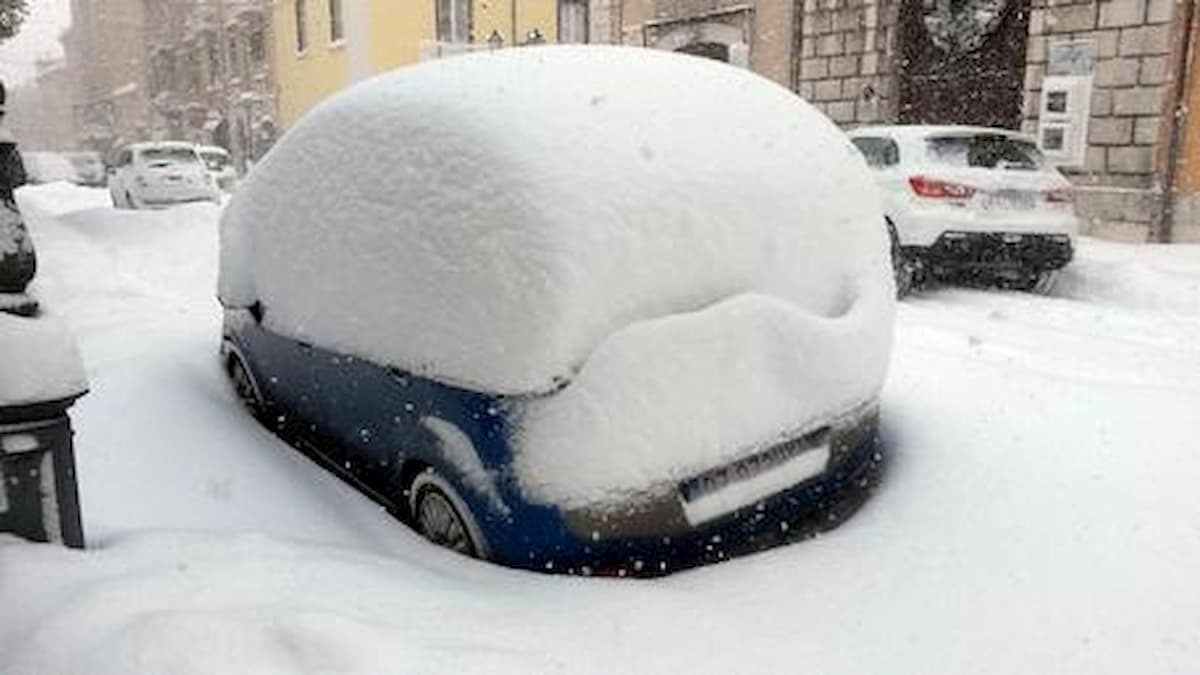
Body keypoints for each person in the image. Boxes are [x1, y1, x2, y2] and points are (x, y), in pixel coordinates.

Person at [0, 78, 38, 315]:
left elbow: (17, 177)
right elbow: (18, 177)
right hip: (11, 226)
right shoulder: (7, 147)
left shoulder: (6, 148)